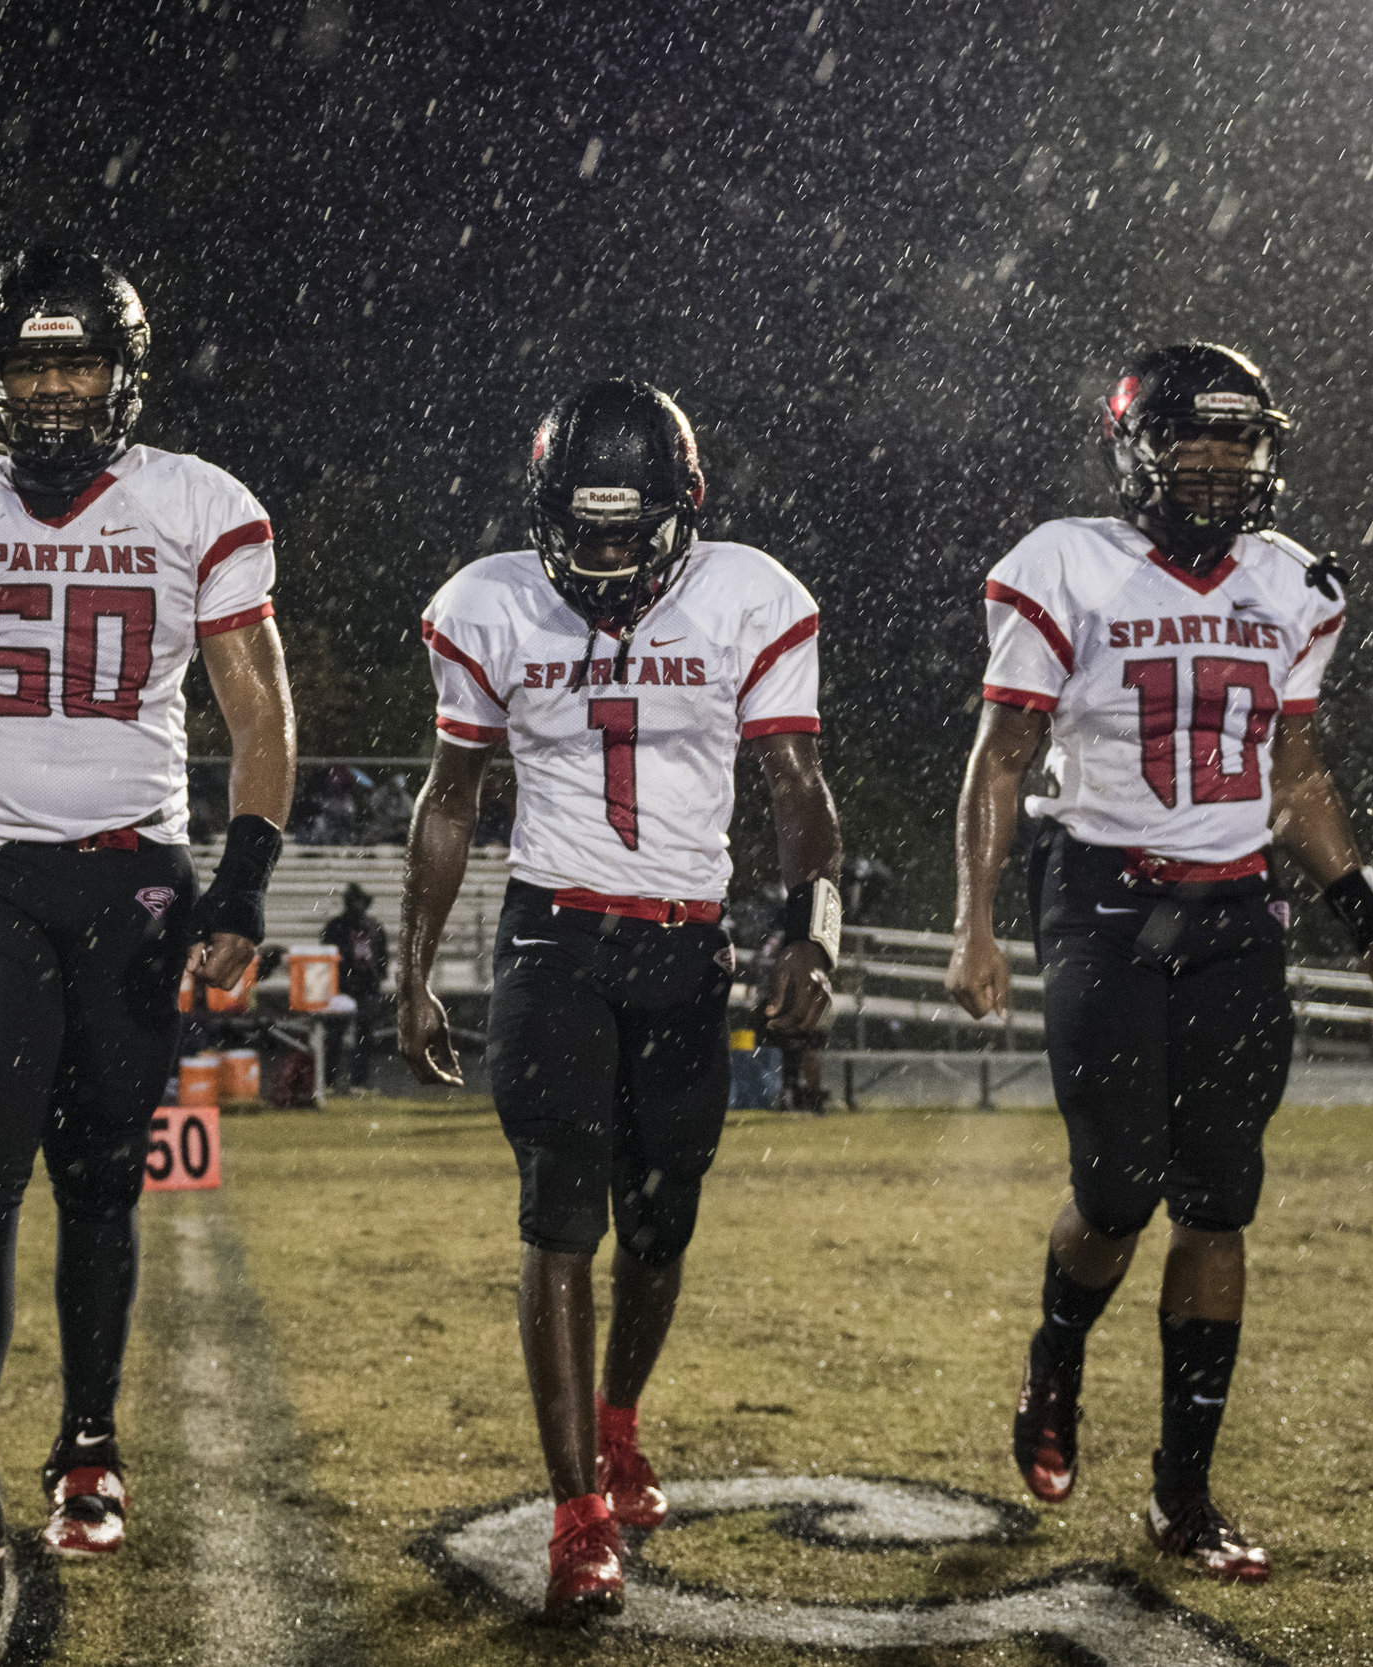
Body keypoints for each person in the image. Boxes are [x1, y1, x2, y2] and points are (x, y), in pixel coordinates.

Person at [0, 247, 296, 1628]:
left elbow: (257, 710)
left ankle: (88, 1435)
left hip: (132, 881)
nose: (55, 389)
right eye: (32, 364)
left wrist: (242, 886)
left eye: (78, 362)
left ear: (123, 374)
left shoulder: (198, 504)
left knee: (98, 1181)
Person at [946, 342, 1373, 1584]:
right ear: (1136, 449)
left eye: (1238, 441)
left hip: (1232, 916)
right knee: (1116, 1189)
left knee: (1218, 1200)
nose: (1218, 464)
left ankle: (1181, 1495)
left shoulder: (1296, 584)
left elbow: (1296, 775)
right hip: (1103, 900)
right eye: (1191, 440)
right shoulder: (1065, 563)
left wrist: (1368, 919)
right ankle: (1057, 1356)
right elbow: (1003, 755)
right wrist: (974, 918)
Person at [399, 379, 840, 1620]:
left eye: (620, 530)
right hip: (552, 939)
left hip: (683, 947)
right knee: (556, 1214)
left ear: (678, 513)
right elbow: (449, 796)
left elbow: (796, 786)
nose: (596, 557)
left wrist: (810, 932)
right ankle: (575, 1511)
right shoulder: (485, 604)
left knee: (659, 1222)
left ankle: (617, 1416)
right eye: (576, 530)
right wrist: (417, 963)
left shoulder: (749, 595)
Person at [321, 882, 388, 1092]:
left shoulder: (374, 927)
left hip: (366, 985)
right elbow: (327, 955)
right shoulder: (336, 927)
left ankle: (359, 1081)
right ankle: (329, 1080)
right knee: (335, 1035)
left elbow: (382, 955)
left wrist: (378, 976)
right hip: (343, 985)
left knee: (364, 1035)